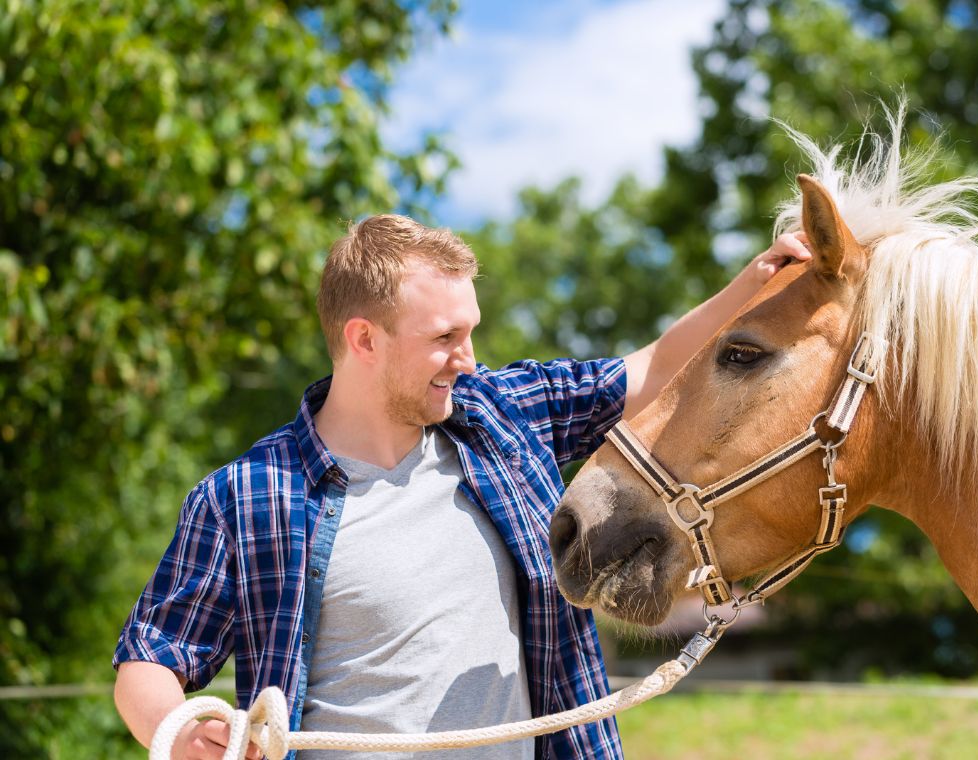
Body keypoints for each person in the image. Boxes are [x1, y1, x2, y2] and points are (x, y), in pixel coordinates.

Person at [112, 214, 810, 760]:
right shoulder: (246, 499)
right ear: (364, 340)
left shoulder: (502, 416)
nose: (469, 358)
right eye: (445, 336)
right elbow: (149, 660)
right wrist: (174, 731)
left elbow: (653, 368)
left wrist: (757, 280)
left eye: (470, 331)